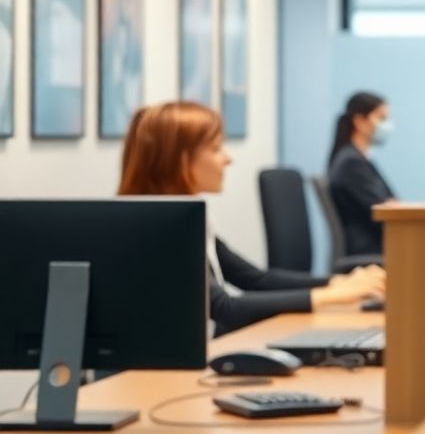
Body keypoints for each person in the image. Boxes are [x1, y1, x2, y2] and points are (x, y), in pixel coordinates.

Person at [119, 101, 385, 336]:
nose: (227, 159)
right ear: (179, 161)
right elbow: (225, 308)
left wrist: (339, 282)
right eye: (215, 149)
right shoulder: (158, 226)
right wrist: (330, 295)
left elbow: (255, 279)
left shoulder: (186, 217)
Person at [328, 92, 396, 256]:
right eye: (381, 118)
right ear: (359, 121)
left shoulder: (358, 159)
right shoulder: (352, 163)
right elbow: (381, 211)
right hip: (368, 250)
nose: (386, 125)